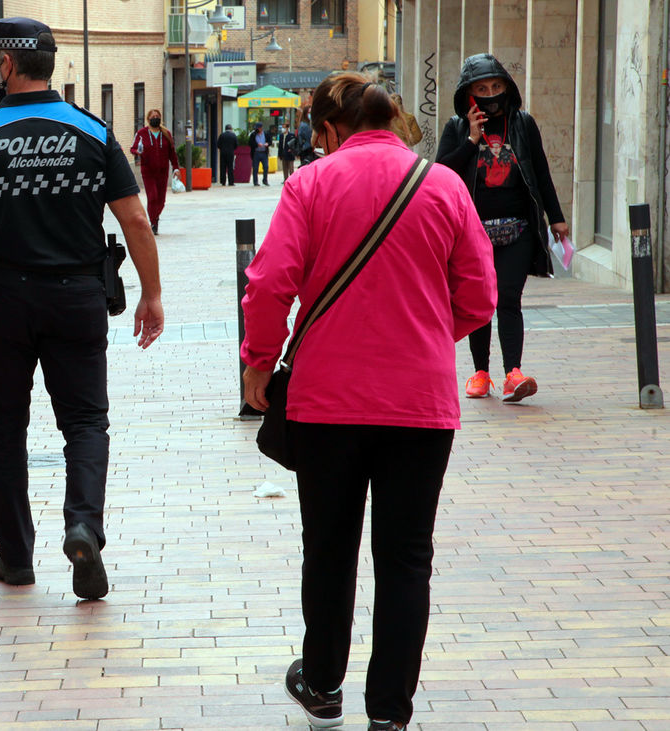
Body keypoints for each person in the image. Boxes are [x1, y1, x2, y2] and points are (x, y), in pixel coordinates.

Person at [240, 73, 495, 730]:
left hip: (327, 401)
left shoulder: (310, 185)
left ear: (329, 130)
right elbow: (479, 296)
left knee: (329, 545)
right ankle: (390, 713)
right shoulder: (443, 185)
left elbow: (270, 284)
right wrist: (425, 336)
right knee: (407, 554)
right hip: (421, 403)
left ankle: (322, 681)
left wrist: (258, 365)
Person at [0, 17, 165, 601]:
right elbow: (134, 218)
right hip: (77, 296)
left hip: (4, 298)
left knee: (5, 427)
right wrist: (152, 294)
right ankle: (83, 524)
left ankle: (16, 557)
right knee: (85, 422)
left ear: (6, 66)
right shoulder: (91, 130)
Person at [436, 53, 570, 403]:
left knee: (508, 298)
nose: (490, 93)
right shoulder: (456, 128)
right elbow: (441, 175)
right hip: (472, 231)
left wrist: (555, 217)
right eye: (482, 88)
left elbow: (540, 172)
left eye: (496, 86)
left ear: (507, 89)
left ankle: (513, 373)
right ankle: (481, 373)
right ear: (469, 94)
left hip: (518, 229)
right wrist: (471, 140)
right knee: (480, 303)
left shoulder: (523, 124)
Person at [129, 108, 179, 234]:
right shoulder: (142, 133)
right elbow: (133, 148)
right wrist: (138, 152)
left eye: (157, 116)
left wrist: (176, 168)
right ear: (148, 119)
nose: (155, 118)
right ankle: (153, 223)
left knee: (161, 200)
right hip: (148, 170)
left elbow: (172, 153)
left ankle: (155, 217)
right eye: (153, 116)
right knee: (152, 197)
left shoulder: (166, 133)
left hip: (163, 171)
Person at [248, 121, 270, 186]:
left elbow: (270, 141)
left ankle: (265, 180)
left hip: (264, 153)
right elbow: (250, 143)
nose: (258, 129)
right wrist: (257, 144)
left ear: (261, 128)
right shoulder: (253, 134)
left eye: (259, 128)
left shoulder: (266, 134)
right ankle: (255, 181)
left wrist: (267, 144)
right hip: (256, 153)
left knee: (266, 167)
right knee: (255, 168)